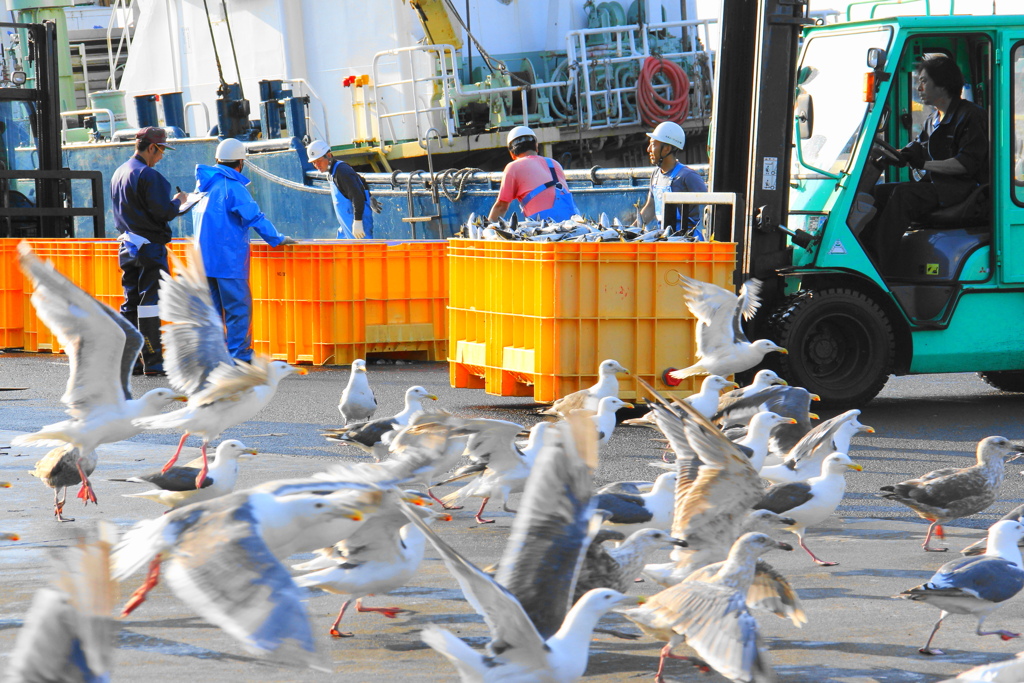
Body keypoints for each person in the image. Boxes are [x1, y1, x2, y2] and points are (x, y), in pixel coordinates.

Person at [865, 55, 988, 273]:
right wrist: (899, 154)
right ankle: (863, 254)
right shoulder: (933, 119)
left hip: (963, 191)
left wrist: (923, 164)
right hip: (938, 187)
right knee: (878, 193)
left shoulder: (970, 116)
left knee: (903, 195)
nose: (918, 88)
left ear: (942, 84)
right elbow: (917, 147)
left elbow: (965, 164)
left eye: (923, 81)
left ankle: (877, 266)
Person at [192, 138, 297, 363]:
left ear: (217, 160)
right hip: (228, 261)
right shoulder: (233, 187)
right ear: (241, 162)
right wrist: (277, 238)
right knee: (238, 309)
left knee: (212, 311)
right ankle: (239, 356)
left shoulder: (204, 186)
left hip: (202, 261)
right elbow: (254, 217)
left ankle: (214, 357)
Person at [111, 126, 188, 376]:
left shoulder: (119, 172)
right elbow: (163, 212)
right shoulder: (149, 175)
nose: (161, 156)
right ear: (152, 147)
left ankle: (131, 361)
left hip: (127, 247)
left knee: (130, 302)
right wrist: (179, 201)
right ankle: (153, 362)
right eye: (161, 150)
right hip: (149, 248)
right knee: (150, 304)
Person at [487, 126, 580, 222]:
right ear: (536, 146)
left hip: (542, 225)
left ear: (512, 154)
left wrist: (488, 227)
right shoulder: (554, 163)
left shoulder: (513, 167)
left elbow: (501, 206)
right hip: (573, 222)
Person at [636, 121, 708, 238]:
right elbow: (650, 207)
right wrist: (631, 230)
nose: (648, 149)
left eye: (653, 145)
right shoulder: (656, 174)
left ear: (667, 148)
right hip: (665, 237)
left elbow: (710, 205)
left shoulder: (687, 176)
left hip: (686, 240)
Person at [305, 140, 377, 239]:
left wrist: (358, 221)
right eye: (314, 162)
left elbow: (357, 196)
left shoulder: (342, 171)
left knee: (362, 248)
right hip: (346, 227)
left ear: (329, 155)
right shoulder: (332, 172)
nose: (317, 165)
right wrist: (369, 196)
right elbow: (360, 179)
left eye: (319, 160)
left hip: (357, 228)